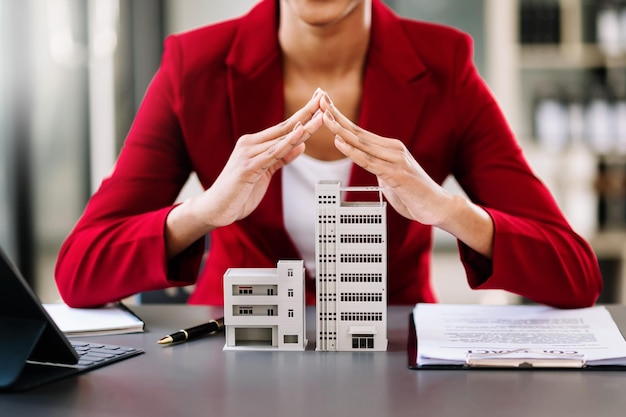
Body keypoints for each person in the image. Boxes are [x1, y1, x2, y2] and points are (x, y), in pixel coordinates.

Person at [55, 0, 602, 308]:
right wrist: (202, 213)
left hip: (393, 361)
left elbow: (575, 274)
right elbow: (78, 270)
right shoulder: (192, 67)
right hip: (230, 360)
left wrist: (447, 210)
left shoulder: (444, 67)